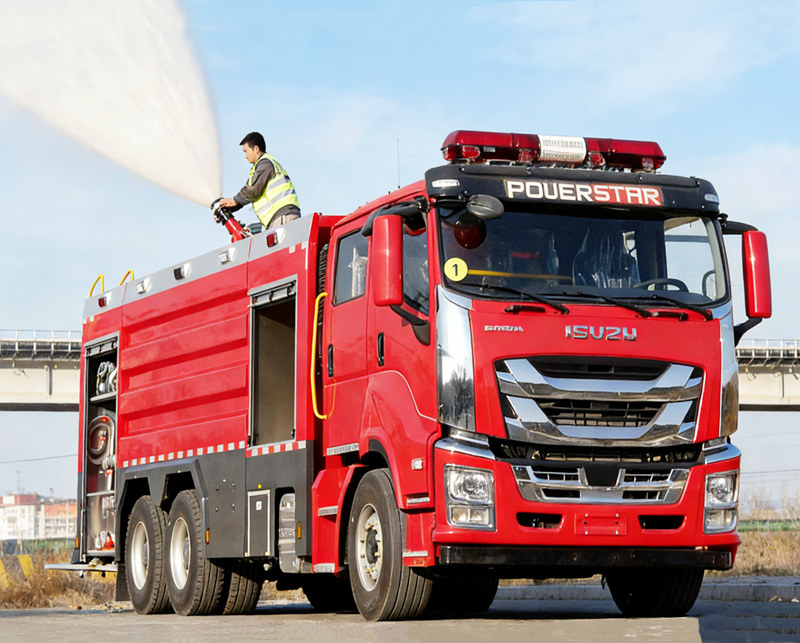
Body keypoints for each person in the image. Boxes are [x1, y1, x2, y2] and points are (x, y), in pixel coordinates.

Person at [216, 132, 301, 230]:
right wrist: (229, 208)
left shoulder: (265, 164)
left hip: (283, 215)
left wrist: (234, 201)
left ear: (256, 149)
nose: (245, 156)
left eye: (246, 151)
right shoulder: (258, 169)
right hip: (279, 217)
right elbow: (247, 193)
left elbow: (253, 191)